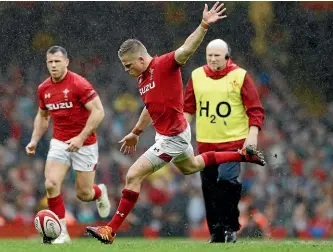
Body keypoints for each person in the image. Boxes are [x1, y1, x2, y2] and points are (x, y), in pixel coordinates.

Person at [86, 2, 265, 244]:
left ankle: (110, 230)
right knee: (191, 166)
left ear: (140, 58)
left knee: (133, 175)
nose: (126, 70)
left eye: (128, 65)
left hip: (174, 136)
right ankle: (242, 155)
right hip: (169, 134)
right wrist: (136, 132)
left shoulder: (164, 65)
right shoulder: (142, 79)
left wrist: (203, 25)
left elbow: (186, 49)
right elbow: (151, 109)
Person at [25, 46, 111, 244]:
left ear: (66, 62)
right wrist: (34, 140)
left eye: (57, 61)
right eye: (50, 62)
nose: (53, 65)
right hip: (60, 142)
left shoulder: (79, 84)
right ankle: (62, 234)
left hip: (85, 143)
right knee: (51, 183)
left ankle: (100, 192)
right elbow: (43, 116)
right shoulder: (44, 89)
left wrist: (80, 137)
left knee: (84, 194)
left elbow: (99, 112)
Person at [183, 39, 265, 243]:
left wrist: (252, 135)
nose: (212, 59)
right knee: (208, 186)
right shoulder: (196, 75)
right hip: (205, 143)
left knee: (227, 182)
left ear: (227, 57)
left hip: (232, 144)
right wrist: (183, 134)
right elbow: (188, 109)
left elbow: (255, 109)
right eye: (209, 55)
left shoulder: (241, 76)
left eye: (217, 55)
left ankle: (230, 227)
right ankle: (216, 230)